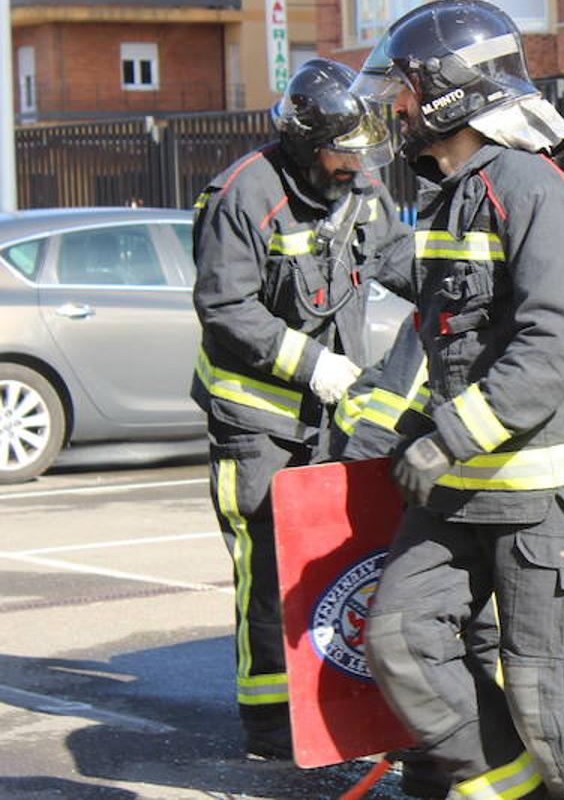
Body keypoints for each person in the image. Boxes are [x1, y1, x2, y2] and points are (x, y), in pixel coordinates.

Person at [352, 0, 564, 800]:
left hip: (545, 505)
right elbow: (456, 306)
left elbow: (555, 343)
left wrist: (450, 437)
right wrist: (371, 241)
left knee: (557, 704)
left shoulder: (536, 191)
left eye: (404, 87)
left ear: (450, 88)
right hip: (461, 496)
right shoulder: (455, 190)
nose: (396, 105)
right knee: (401, 639)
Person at [191, 58, 414, 761]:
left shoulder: (359, 189)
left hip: (330, 417)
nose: (354, 165)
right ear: (301, 143)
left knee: (328, 564)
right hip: (253, 420)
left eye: (361, 152)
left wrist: (467, 283)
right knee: (265, 561)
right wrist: (311, 364)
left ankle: (330, 707)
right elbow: (225, 307)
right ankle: (268, 721)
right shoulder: (244, 195)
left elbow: (399, 256)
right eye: (341, 152)